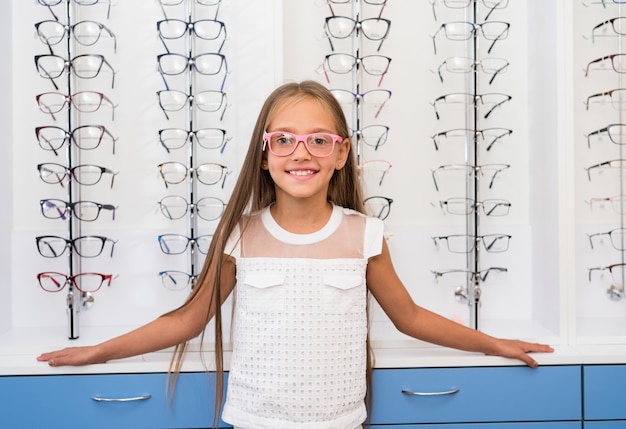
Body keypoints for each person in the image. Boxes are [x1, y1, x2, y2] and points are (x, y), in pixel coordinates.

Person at [37, 80, 553, 429]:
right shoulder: (240, 235)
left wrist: (495, 344)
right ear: (264, 155)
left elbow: (411, 317)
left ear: (341, 153)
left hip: (340, 422)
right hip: (256, 421)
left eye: (317, 140)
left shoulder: (365, 234)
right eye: (283, 140)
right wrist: (95, 351)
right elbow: (188, 320)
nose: (300, 152)